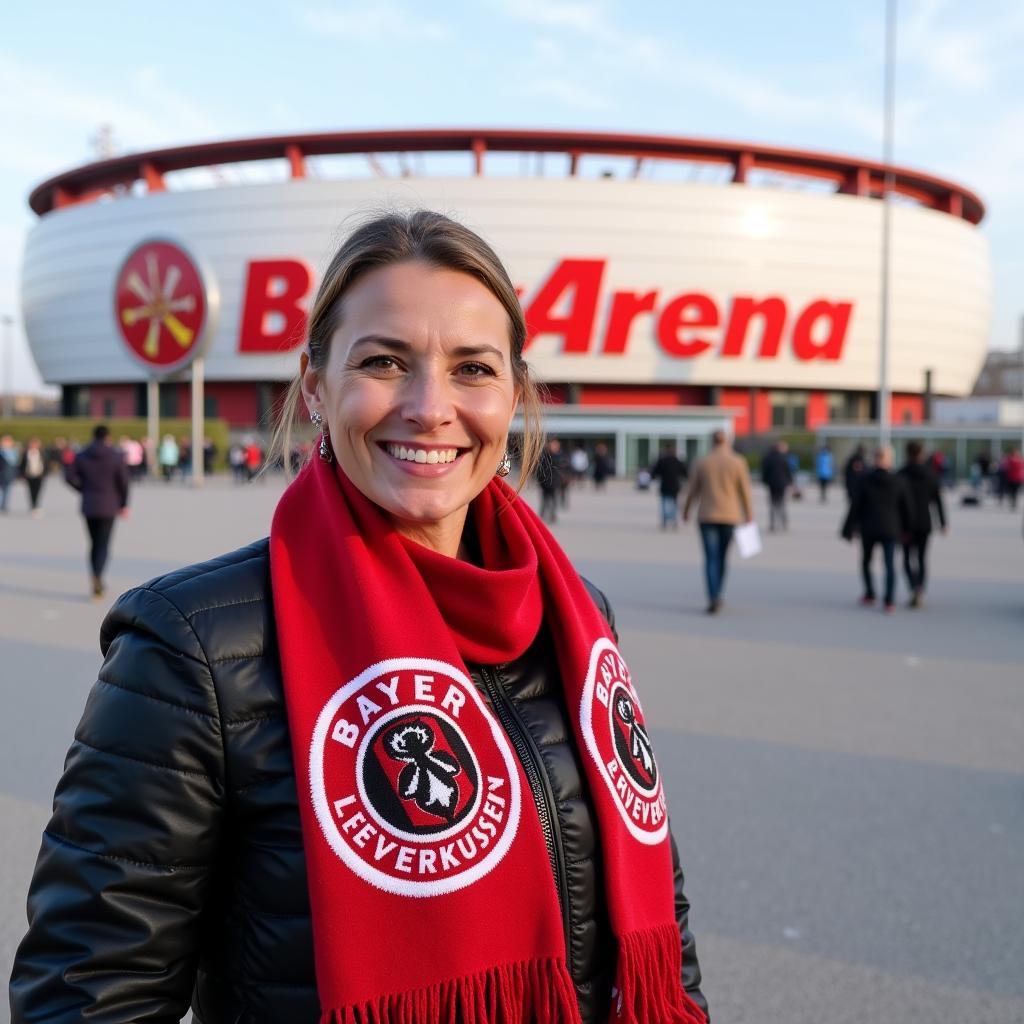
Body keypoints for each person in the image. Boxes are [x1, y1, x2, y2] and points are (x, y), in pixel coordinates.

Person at [11, 212, 708, 1024]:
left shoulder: (580, 616)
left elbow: (664, 913)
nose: (429, 407)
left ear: (514, 394)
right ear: (315, 387)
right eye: (383, 361)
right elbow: (89, 995)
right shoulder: (193, 645)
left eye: (472, 369)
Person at [682, 430, 754, 613]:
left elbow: (692, 489)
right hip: (730, 516)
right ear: (727, 442)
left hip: (706, 516)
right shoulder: (738, 461)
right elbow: (744, 490)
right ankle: (718, 593)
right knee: (722, 557)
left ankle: (712, 596)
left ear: (712, 442)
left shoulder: (702, 461)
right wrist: (749, 513)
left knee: (710, 558)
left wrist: (686, 509)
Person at [62, 423, 130, 599]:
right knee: (104, 543)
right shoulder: (115, 456)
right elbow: (123, 482)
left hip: (89, 504)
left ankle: (94, 575)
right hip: (109, 504)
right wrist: (123, 504)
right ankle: (99, 576)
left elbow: (69, 476)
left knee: (93, 543)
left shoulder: (82, 455)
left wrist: (83, 488)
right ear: (107, 437)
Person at [841, 446, 910, 613]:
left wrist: (848, 529)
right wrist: (907, 529)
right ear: (890, 460)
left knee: (866, 561)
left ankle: (870, 593)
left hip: (869, 527)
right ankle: (889, 600)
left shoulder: (865, 480)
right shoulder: (899, 480)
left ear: (874, 459)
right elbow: (907, 508)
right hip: (891, 528)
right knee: (889, 565)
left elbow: (855, 506)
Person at [899, 440, 947, 608]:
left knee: (906, 558)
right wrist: (943, 522)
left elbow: (895, 501)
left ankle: (913, 587)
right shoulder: (930, 474)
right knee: (921, 557)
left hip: (905, 523)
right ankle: (919, 589)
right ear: (921, 454)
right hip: (924, 522)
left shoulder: (901, 474)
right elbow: (938, 500)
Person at [650, 441, 688, 530]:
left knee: (664, 504)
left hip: (665, 486)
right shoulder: (677, 461)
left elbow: (654, 472)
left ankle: (664, 521)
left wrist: (653, 478)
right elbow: (685, 473)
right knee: (674, 504)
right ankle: (674, 521)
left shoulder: (661, 461)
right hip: (674, 486)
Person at [760, 440, 793, 532]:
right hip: (782, 484)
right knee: (782, 503)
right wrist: (790, 482)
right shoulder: (784, 458)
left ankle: (773, 524)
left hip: (771, 484)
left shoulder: (768, 458)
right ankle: (784, 522)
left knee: (772, 504)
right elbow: (788, 472)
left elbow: (764, 471)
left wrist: (765, 481)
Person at [535, 436, 565, 523]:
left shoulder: (560, 456)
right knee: (544, 500)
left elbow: (561, 469)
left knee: (554, 499)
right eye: (553, 445)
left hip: (555, 482)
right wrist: (541, 481)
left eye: (556, 445)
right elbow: (539, 469)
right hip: (545, 482)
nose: (554, 446)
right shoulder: (544, 456)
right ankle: (541, 516)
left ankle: (553, 515)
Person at [18, 436, 47, 517]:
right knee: (31, 491)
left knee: (38, 490)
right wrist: (21, 475)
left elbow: (46, 464)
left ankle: (36, 505)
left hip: (39, 475)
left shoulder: (42, 453)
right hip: (29, 475)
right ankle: (33, 506)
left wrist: (44, 473)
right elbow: (22, 465)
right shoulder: (26, 453)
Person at [0, 434, 19, 513]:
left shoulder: (14, 452)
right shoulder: (1, 452)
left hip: (9, 474)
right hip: (1, 473)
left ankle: (4, 505)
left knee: (7, 490)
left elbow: (15, 464)